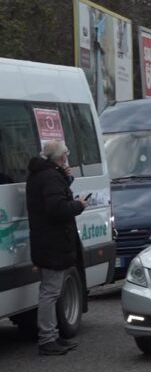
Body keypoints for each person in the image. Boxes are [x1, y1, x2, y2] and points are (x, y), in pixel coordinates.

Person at [26, 140, 88, 355]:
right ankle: (47, 339)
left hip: (47, 242)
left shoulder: (45, 174)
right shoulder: (50, 177)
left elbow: (54, 197)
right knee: (50, 292)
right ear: (60, 158)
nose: (67, 157)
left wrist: (66, 178)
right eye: (66, 154)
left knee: (51, 291)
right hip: (52, 243)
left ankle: (51, 336)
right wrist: (78, 205)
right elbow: (56, 208)